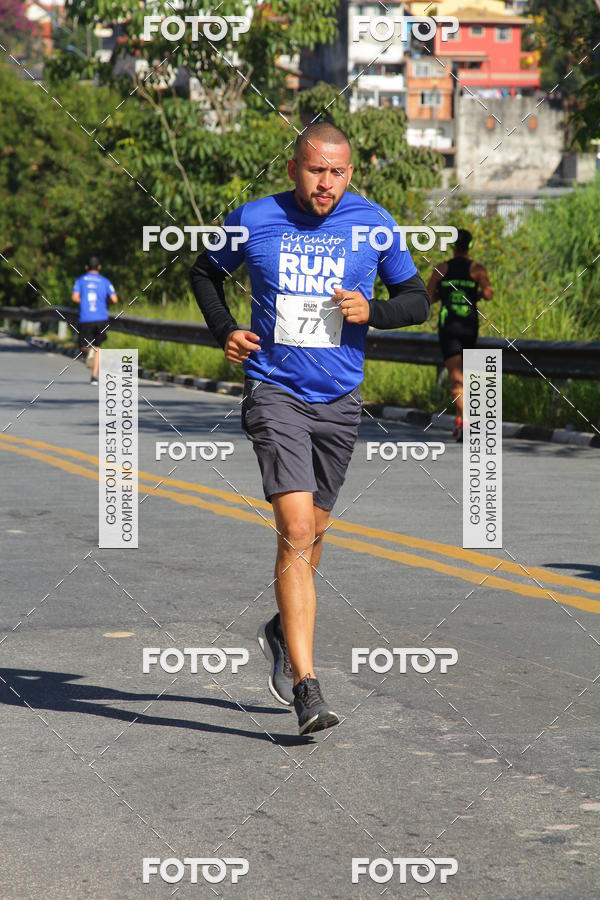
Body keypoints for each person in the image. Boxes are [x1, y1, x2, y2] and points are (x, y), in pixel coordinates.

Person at [190, 121, 430, 734]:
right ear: (294, 168)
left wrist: (371, 310)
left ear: (351, 173)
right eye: (316, 170)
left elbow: (416, 300)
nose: (327, 183)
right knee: (295, 527)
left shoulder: (373, 223)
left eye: (338, 172)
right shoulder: (254, 217)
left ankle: (279, 630)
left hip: (340, 400)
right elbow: (203, 273)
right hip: (275, 391)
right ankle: (307, 687)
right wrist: (225, 331)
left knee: (315, 532)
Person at [426, 229, 493, 441]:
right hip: (470, 327)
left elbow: (427, 297)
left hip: (449, 328)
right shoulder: (477, 269)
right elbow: (489, 294)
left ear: (453, 246)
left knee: (457, 381)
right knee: (466, 377)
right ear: (471, 246)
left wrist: (442, 295)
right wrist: (475, 295)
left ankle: (466, 421)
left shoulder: (442, 268)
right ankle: (460, 422)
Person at [72, 256, 118, 385]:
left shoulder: (80, 280)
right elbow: (115, 299)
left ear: (86, 267)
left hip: (86, 318)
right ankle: (94, 377)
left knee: (83, 346)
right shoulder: (105, 282)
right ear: (99, 267)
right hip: (101, 318)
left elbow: (75, 298)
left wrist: (85, 302)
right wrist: (103, 302)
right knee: (98, 347)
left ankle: (87, 351)